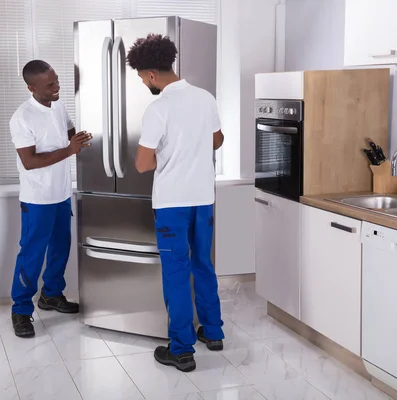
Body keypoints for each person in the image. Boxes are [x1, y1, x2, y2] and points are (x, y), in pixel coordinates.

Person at [127, 34, 225, 372]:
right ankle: (213, 332)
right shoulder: (205, 97)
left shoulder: (159, 108)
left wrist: (168, 157)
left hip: (172, 203)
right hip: (204, 199)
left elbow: (142, 164)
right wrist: (191, 148)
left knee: (177, 272)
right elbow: (218, 139)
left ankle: (181, 349)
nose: (143, 83)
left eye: (142, 77)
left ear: (152, 74)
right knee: (203, 264)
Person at [9, 60, 92, 338]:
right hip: (37, 199)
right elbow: (30, 161)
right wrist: (70, 150)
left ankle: (51, 295)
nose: (57, 87)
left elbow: (70, 137)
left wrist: (85, 137)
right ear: (32, 87)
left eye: (56, 81)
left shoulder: (58, 105)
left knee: (60, 248)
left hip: (60, 194)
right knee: (31, 254)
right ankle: (21, 310)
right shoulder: (22, 117)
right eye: (50, 85)